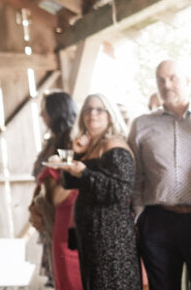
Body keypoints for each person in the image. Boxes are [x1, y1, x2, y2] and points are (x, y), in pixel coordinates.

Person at [128, 60, 191, 290]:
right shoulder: (141, 125)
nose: (166, 84)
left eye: (173, 78)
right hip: (158, 222)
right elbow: (136, 175)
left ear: (187, 80)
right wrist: (139, 218)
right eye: (161, 79)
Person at [59, 94, 141, 290]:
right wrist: (76, 152)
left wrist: (85, 173)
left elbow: (121, 190)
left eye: (98, 109)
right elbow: (67, 182)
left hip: (111, 234)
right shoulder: (89, 147)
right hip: (90, 233)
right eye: (88, 109)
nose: (92, 114)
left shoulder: (115, 146)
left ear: (109, 115)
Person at [32, 92, 82, 290]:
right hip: (48, 212)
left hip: (65, 213)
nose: (41, 114)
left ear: (56, 111)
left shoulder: (71, 140)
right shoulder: (52, 141)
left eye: (45, 109)